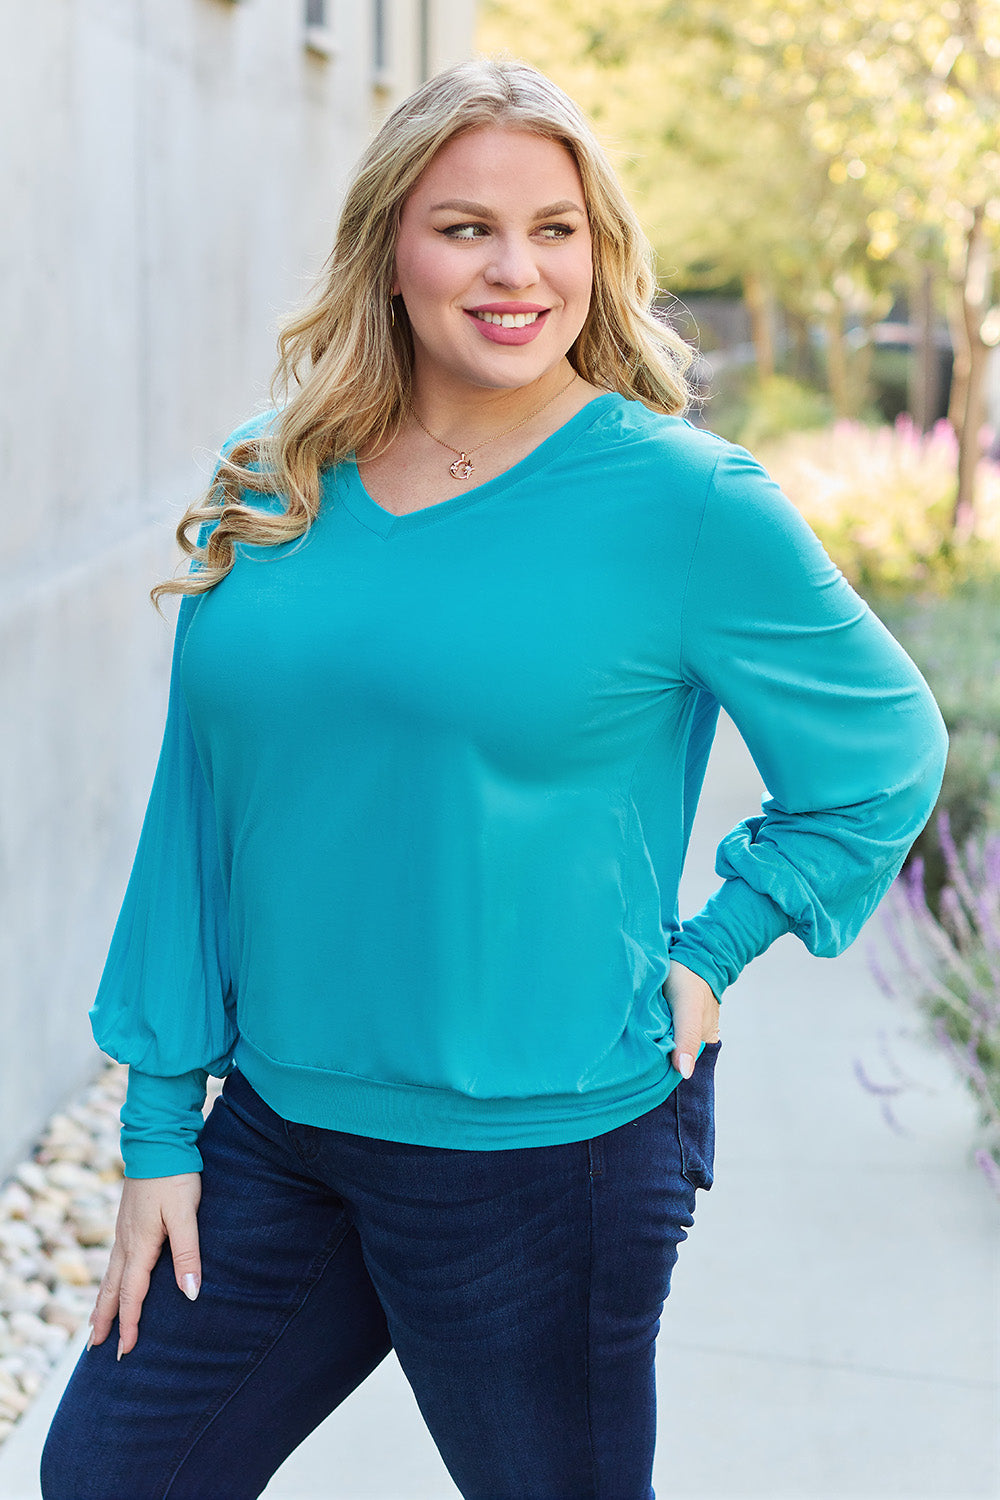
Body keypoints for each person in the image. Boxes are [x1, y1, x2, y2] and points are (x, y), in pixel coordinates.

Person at [40, 56, 947, 1500]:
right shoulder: (270, 480)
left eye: (556, 229)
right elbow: (198, 809)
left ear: (603, 253)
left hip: (546, 1165)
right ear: (389, 251)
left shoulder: (687, 505)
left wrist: (715, 950)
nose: (515, 269)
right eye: (465, 227)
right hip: (281, 1137)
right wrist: (161, 1123)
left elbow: (883, 756)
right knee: (111, 1475)